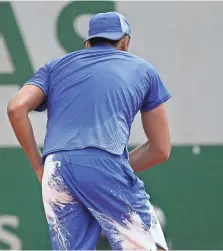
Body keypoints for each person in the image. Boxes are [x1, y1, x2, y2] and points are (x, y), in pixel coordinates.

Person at [7, 11, 171, 250]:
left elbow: (15, 107)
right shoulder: (144, 70)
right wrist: (100, 173)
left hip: (56, 170)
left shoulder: (54, 67)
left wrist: (39, 166)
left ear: (87, 44)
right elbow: (160, 149)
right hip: (105, 163)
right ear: (125, 42)